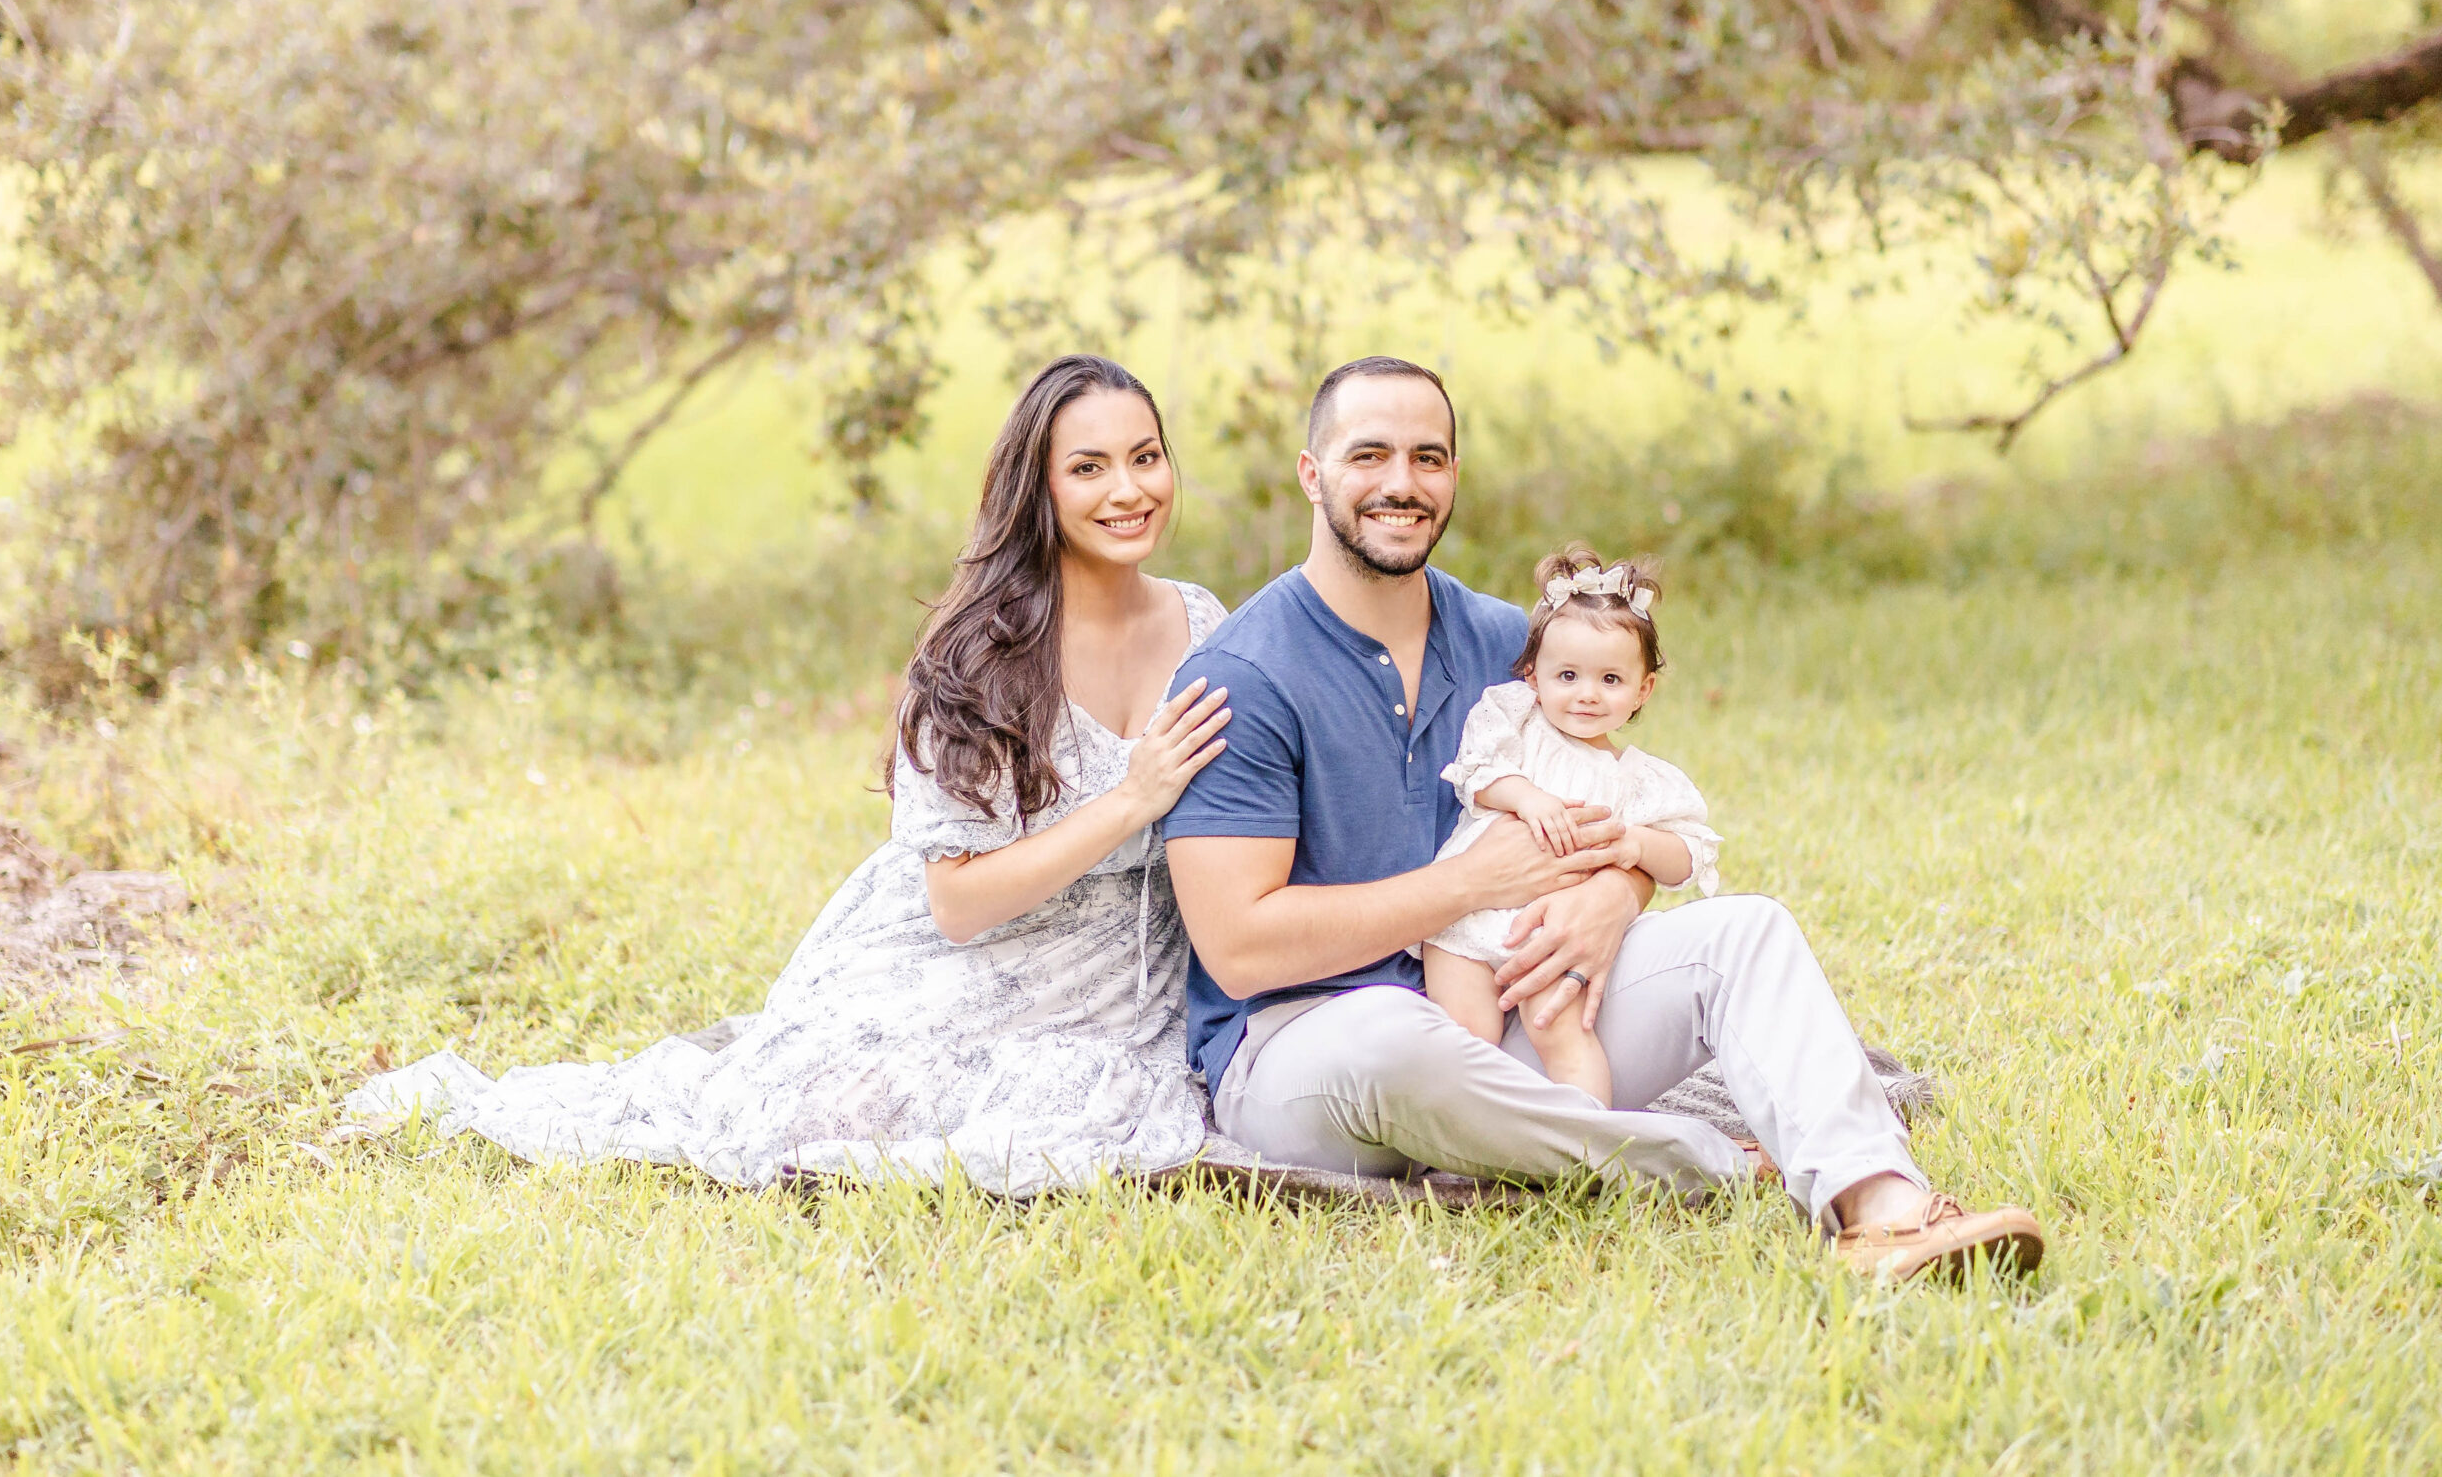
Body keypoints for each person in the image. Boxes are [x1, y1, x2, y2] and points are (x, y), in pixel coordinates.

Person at [1160, 356, 2045, 1281]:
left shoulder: (1518, 645)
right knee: (1390, 1030)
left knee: (1747, 932)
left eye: (1429, 457)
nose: (1401, 483)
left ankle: (1883, 1208)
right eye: (1368, 454)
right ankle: (1705, 1164)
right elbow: (1240, 949)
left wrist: (1618, 894)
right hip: (1313, 1050)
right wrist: (1466, 885)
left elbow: (1618, 807)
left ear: (1454, 475)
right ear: (1312, 472)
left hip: (1510, 1014)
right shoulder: (1245, 675)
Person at [347, 355, 1234, 1196]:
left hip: (1121, 983)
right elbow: (957, 906)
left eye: (1146, 457)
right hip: (962, 962)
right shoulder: (980, 658)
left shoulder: (1205, 626)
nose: (1129, 490)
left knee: (1082, 1114)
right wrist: (1129, 801)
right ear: (1038, 490)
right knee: (802, 1121)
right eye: (1089, 467)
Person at [1419, 542, 1720, 1109]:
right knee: (1465, 1038)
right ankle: (1467, 1142)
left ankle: (1587, 1143)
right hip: (1467, 918)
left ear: (1642, 690)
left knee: (1561, 1032)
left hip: (1557, 934)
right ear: (1532, 675)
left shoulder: (1635, 780)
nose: (1586, 693)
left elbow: (1689, 854)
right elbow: (1474, 772)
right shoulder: (1515, 722)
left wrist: (1633, 843)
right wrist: (1526, 798)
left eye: (1610, 679)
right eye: (1568, 675)